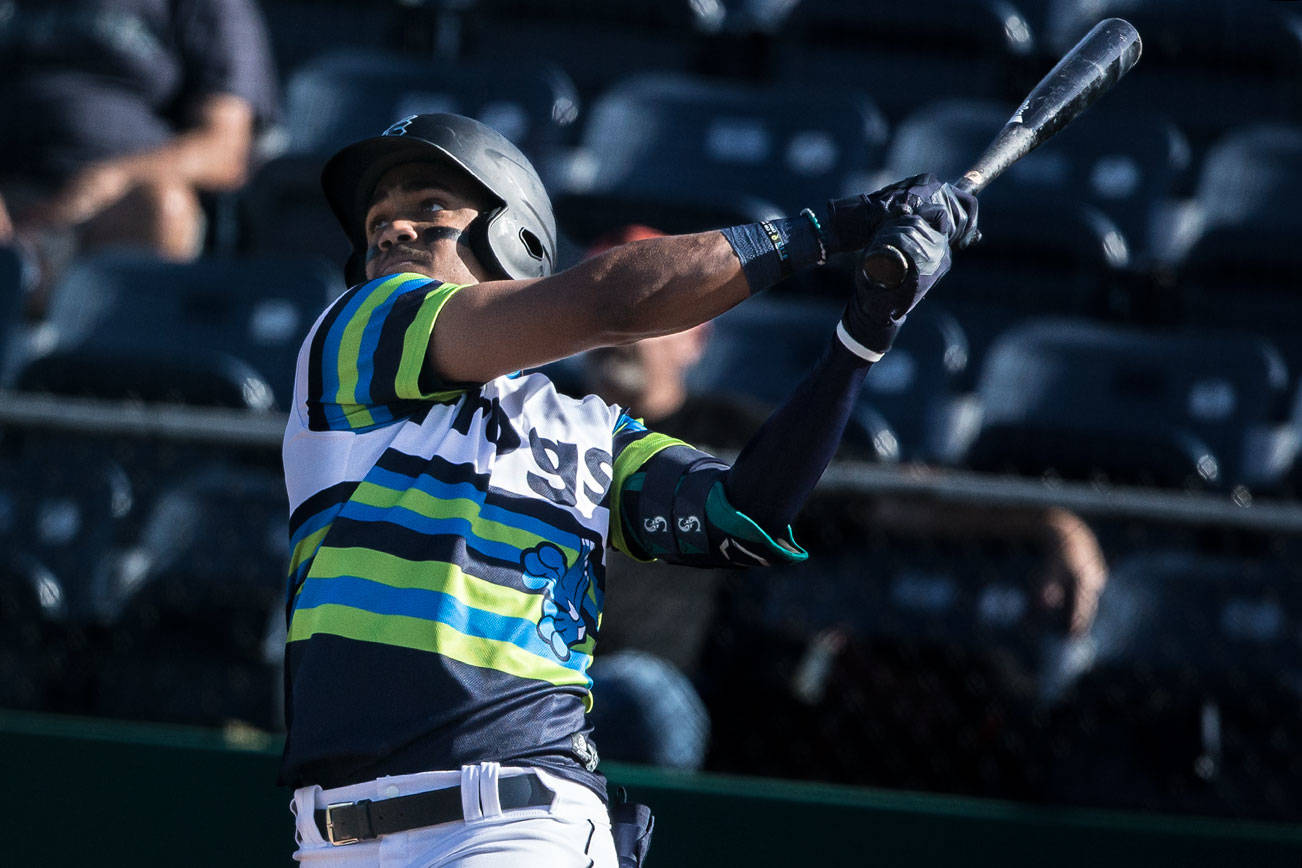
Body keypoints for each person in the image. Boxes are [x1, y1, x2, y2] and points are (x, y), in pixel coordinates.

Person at [279, 112, 977, 865]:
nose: (391, 231)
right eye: (379, 219)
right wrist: (829, 228)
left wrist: (863, 334)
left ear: (514, 238)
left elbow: (742, 513)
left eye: (429, 210)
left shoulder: (592, 431)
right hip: (334, 842)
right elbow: (612, 302)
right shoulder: (353, 335)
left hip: (513, 828)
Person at [0, 0, 279, 313]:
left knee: (162, 206)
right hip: (11, 198)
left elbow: (225, 148)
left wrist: (114, 180)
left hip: (116, 208)